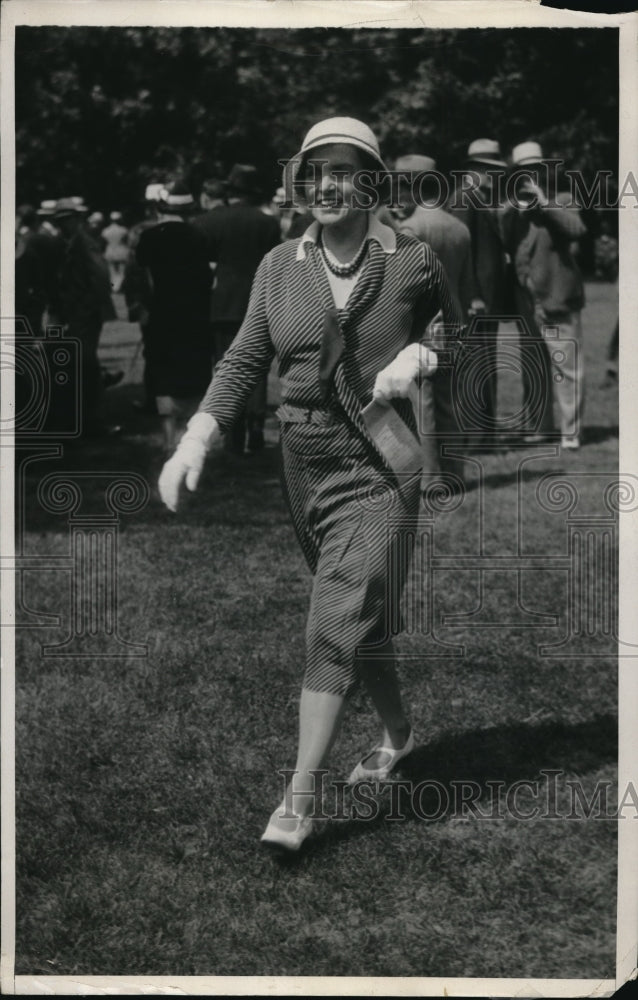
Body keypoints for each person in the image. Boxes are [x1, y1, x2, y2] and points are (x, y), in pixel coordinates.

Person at [159, 117, 461, 852]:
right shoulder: (277, 265)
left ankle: (297, 801)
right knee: (357, 622)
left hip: (381, 463)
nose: (324, 185)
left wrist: (418, 357)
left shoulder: (411, 259)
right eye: (313, 172)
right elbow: (242, 361)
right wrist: (198, 434)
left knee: (329, 625)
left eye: (343, 171)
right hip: (304, 465)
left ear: (373, 183)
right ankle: (398, 733)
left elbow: (463, 335)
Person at [392, 153, 472, 485]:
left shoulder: (412, 228)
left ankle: (428, 477)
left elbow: (404, 284)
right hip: (454, 323)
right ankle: (455, 474)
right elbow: (464, 285)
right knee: (447, 402)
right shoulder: (459, 227)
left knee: (421, 403)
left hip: (424, 327)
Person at [501, 141, 587, 449]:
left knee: (566, 367)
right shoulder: (513, 211)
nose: (529, 177)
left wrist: (543, 202)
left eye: (535, 171)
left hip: (558, 297)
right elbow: (507, 246)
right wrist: (515, 209)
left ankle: (570, 432)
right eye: (523, 173)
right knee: (533, 366)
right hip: (527, 301)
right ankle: (540, 427)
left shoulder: (563, 199)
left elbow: (576, 229)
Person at [193, 163, 281, 453]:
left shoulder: (207, 222)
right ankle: (256, 428)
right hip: (258, 301)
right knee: (256, 367)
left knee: (227, 366)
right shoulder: (266, 223)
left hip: (221, 304)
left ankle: (233, 431)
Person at [135, 182, 214, 452]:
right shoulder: (200, 236)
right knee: (193, 371)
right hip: (195, 314)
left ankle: (169, 436)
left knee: (164, 371)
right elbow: (208, 278)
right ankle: (188, 435)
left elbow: (144, 280)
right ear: (190, 210)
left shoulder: (149, 238)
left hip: (163, 313)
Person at [449, 139, 508, 448]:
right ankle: (474, 437)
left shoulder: (482, 197)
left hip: (488, 298)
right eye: (491, 170)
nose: (495, 175)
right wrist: (472, 294)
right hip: (476, 298)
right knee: (474, 366)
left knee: (486, 364)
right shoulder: (464, 198)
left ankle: (486, 435)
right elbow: (463, 251)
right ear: (476, 170)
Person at [48, 197, 118, 437]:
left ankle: (93, 421)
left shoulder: (85, 243)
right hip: (69, 314)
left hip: (85, 315)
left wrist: (85, 311)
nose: (63, 224)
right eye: (59, 221)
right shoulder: (61, 243)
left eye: (67, 219)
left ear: (77, 219)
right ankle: (74, 419)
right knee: (72, 366)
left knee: (86, 366)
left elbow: (100, 280)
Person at [101, 211, 130, 292]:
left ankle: (114, 287)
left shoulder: (105, 230)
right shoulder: (123, 230)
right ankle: (118, 287)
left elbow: (103, 243)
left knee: (112, 271)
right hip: (121, 251)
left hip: (110, 251)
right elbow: (126, 241)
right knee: (121, 271)